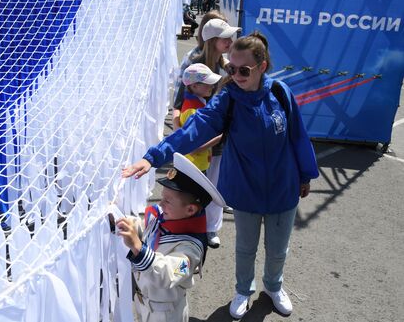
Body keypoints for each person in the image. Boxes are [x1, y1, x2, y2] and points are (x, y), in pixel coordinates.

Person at [122, 32, 319, 319]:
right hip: (245, 189)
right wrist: (153, 157)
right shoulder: (228, 100)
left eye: (244, 70)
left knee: (278, 249)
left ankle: (274, 287)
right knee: (245, 247)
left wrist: (305, 175)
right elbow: (194, 129)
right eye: (231, 69)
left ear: (262, 67)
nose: (236, 75)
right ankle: (243, 290)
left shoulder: (280, 93)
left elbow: (298, 137)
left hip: (283, 188)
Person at [116, 153, 225, 322]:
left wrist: (138, 248)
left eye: (167, 200)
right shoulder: (166, 217)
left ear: (190, 210)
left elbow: (168, 274)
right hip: (143, 302)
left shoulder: (191, 250)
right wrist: (120, 221)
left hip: (165, 314)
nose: (160, 204)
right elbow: (145, 229)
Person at [173, 16, 241, 247]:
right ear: (213, 41)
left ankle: (211, 228)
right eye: (225, 39)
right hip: (202, 139)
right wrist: (177, 119)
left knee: (214, 182)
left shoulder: (225, 63)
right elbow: (181, 95)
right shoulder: (194, 63)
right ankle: (188, 226)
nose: (230, 42)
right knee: (193, 185)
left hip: (215, 138)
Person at [179, 63, 221, 172]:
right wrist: (221, 137)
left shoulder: (198, 103)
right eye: (208, 83)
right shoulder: (193, 111)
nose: (212, 86)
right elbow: (193, 147)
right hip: (193, 167)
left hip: (197, 164)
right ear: (194, 86)